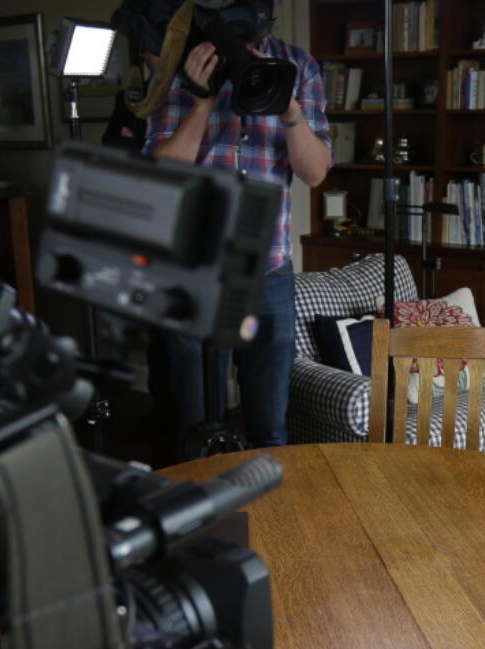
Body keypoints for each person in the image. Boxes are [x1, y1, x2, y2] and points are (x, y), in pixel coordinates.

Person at [144, 2, 331, 450]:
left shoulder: (298, 64)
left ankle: (273, 519)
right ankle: (203, 515)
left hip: (269, 269)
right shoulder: (181, 66)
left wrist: (288, 108)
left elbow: (315, 172)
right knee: (196, 423)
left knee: (271, 425)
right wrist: (202, 100)